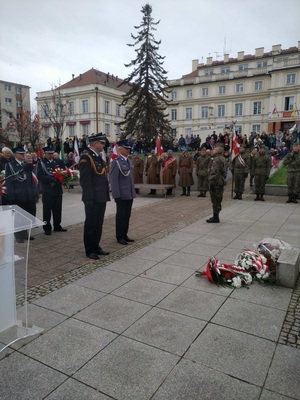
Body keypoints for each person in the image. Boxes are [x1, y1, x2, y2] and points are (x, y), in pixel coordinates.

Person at [79, 134, 110, 259]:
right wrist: (89, 198)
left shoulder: (99, 159)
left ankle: (96, 246)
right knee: (91, 224)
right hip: (92, 198)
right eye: (102, 143)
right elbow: (85, 181)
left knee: (99, 223)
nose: (103, 145)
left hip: (101, 196)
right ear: (95, 143)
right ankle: (89, 249)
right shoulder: (86, 158)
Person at [5, 146, 39, 243]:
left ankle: (25, 234)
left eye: (24, 153)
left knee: (27, 215)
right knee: (18, 217)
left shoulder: (27, 165)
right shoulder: (10, 165)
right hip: (18, 195)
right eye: (21, 154)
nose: (23, 155)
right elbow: (9, 182)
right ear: (15, 155)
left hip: (28, 194)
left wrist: (35, 192)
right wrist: (11, 195)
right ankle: (18, 235)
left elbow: (31, 180)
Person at [37, 145, 67, 235]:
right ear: (45, 154)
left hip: (57, 189)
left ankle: (57, 225)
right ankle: (47, 228)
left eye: (52, 153)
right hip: (47, 190)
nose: (50, 155)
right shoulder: (41, 163)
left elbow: (64, 172)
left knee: (57, 209)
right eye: (49, 154)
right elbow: (40, 176)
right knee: (47, 211)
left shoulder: (58, 162)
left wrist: (62, 179)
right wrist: (52, 179)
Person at [110, 139, 136, 245]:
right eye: (126, 148)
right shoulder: (116, 162)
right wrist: (116, 194)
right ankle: (119, 236)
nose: (128, 150)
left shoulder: (129, 161)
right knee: (121, 216)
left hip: (129, 193)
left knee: (127, 215)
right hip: (121, 194)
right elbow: (113, 179)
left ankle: (125, 234)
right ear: (120, 149)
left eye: (129, 148)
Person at [206, 144, 226, 223]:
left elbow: (214, 171)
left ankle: (216, 217)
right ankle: (216, 216)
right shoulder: (222, 158)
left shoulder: (217, 159)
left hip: (215, 181)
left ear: (218, 151)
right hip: (220, 181)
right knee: (218, 199)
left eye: (214, 149)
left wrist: (210, 179)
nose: (213, 150)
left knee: (215, 199)